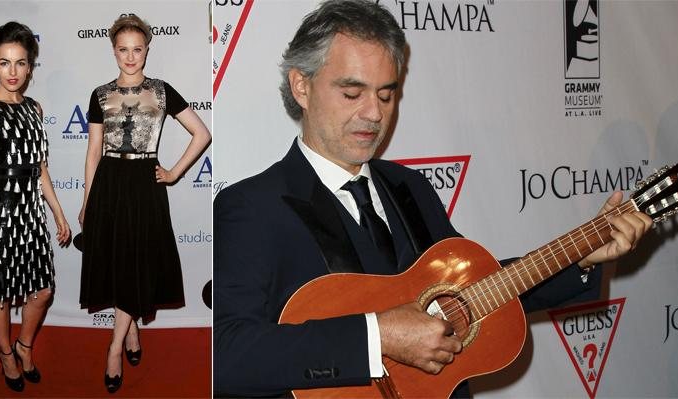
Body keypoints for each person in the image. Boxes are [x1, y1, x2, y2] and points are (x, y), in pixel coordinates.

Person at [213, 0, 652, 397]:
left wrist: (583, 256)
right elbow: (228, 354)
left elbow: (475, 294)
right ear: (301, 87)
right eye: (352, 93)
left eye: (387, 94)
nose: (374, 113)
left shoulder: (410, 187)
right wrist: (377, 336)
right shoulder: (251, 207)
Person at [78, 14, 211, 394]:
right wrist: (88, 201)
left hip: (144, 184)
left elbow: (201, 133)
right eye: (123, 49)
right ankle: (131, 332)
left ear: (147, 49)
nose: (131, 56)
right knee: (119, 259)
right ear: (114, 51)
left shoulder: (162, 90)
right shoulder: (100, 94)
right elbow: (91, 154)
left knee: (137, 258)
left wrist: (174, 172)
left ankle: (115, 347)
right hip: (108, 183)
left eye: (137, 49)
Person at [0, 21, 71, 393]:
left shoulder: (34, 109)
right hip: (0, 212)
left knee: (42, 290)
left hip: (30, 212)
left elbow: (40, 168)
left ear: (30, 66)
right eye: (4, 62)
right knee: (1, 293)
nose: (12, 72)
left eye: (20, 63)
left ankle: (24, 345)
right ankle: (5, 353)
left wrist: (57, 212)